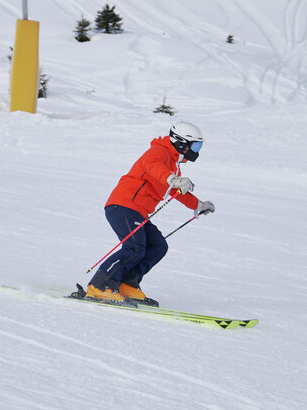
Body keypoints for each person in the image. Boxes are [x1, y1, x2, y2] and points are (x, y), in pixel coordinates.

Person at [85, 121, 215, 305]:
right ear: (180, 142)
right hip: (123, 206)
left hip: (138, 213)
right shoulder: (159, 151)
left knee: (158, 246)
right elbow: (151, 165)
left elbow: (172, 190)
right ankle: (99, 286)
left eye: (199, 146)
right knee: (134, 247)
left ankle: (126, 284)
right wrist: (173, 178)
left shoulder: (173, 164)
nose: (196, 150)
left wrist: (198, 205)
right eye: (195, 145)